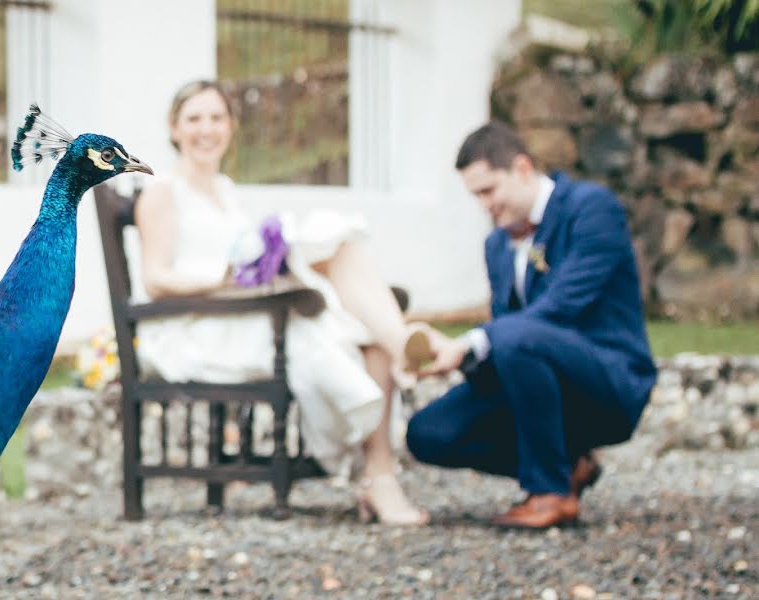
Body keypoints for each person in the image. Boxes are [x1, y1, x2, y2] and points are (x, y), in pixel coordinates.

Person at [130, 79, 434, 526]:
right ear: (174, 129)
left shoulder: (226, 190)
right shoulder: (162, 190)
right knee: (340, 322)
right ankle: (381, 463)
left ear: (231, 127)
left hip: (244, 311)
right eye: (194, 119)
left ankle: (380, 464)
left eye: (216, 118)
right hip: (196, 325)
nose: (206, 129)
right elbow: (154, 279)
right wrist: (221, 280)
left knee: (346, 280)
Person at [406, 121, 657, 529]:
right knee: (429, 431)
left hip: (608, 382)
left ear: (522, 168)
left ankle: (550, 493)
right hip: (536, 380)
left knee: (515, 335)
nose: (484, 205)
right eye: (476, 196)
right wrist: (450, 357)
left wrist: (471, 342)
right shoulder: (496, 246)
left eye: (488, 191)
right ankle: (568, 465)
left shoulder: (592, 208)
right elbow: (506, 339)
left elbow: (561, 306)